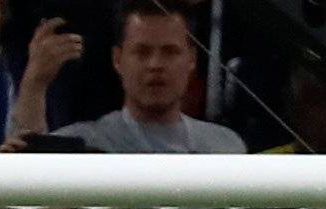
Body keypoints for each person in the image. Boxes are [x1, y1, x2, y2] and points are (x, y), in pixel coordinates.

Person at [46, 0, 244, 154]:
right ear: (118, 59)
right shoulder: (80, 146)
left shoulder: (225, 147)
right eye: (142, 52)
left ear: (191, 59)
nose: (155, 64)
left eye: (170, 52)